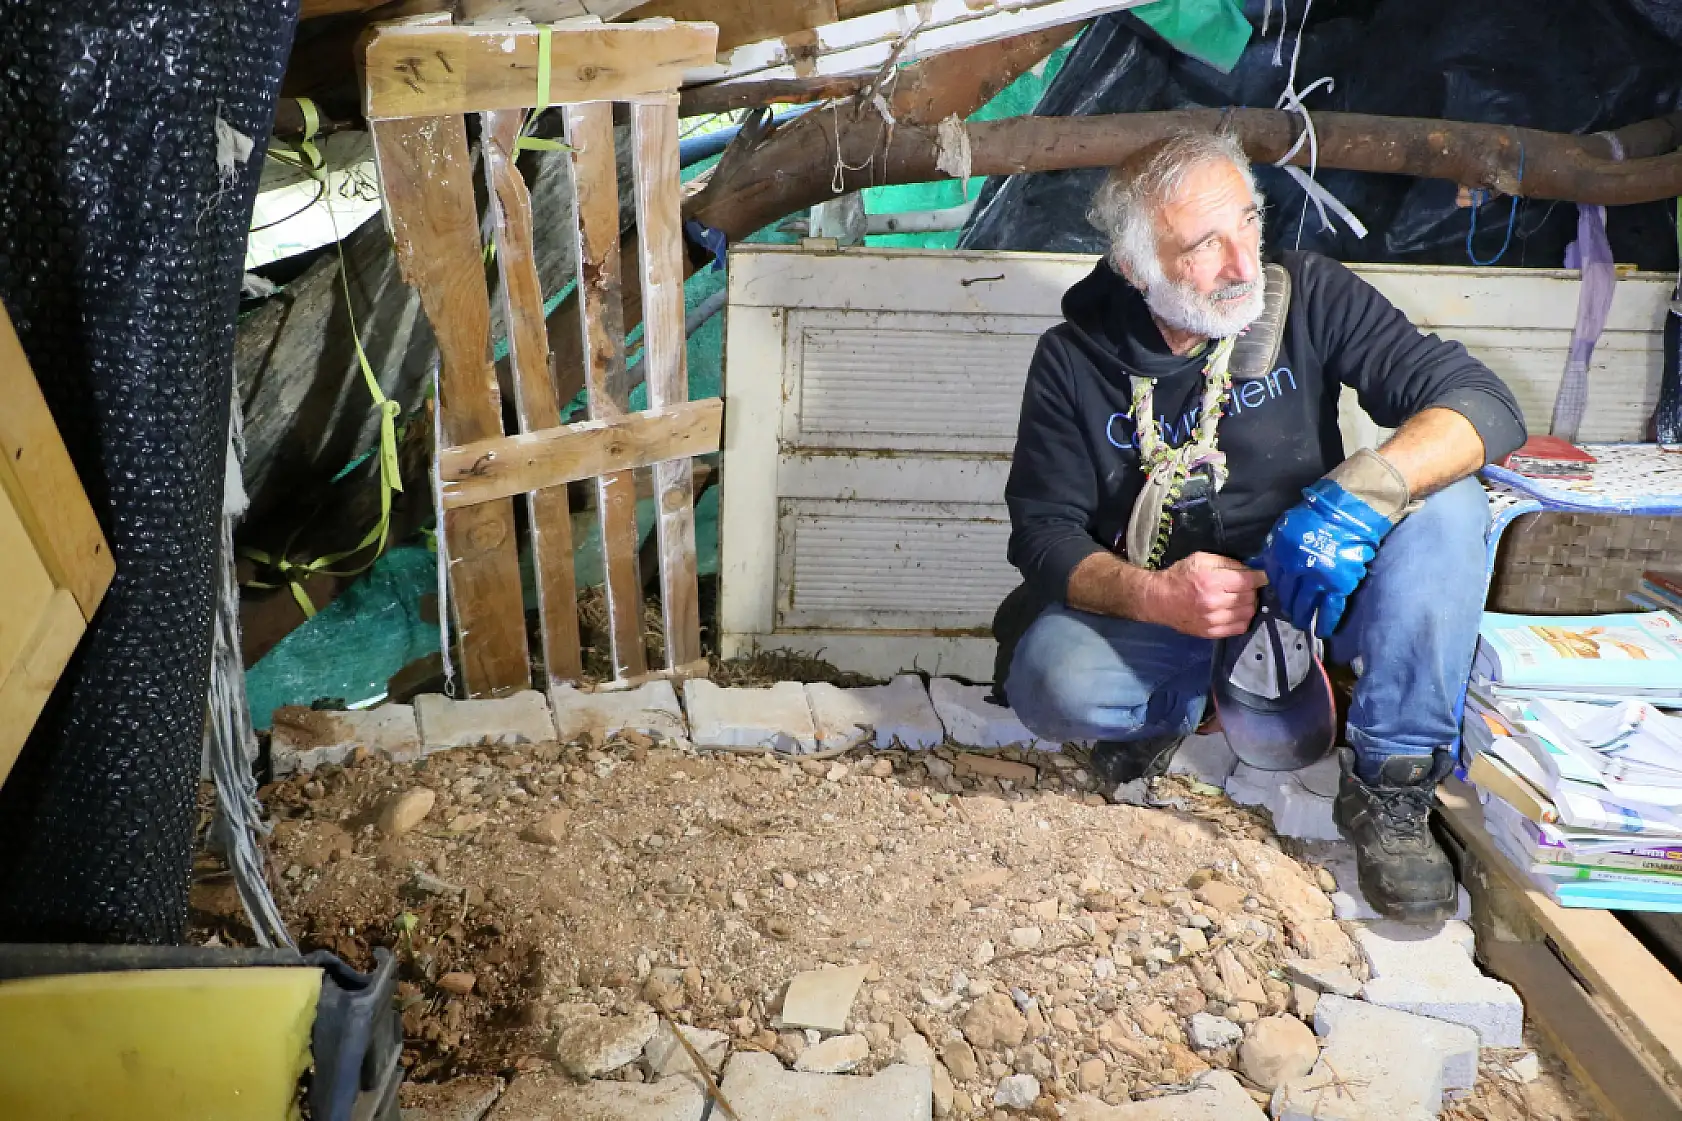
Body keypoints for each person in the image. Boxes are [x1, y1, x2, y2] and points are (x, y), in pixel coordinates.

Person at [994, 131, 1526, 923]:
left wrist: (1354, 501)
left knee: (1450, 505)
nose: (1243, 263)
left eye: (1248, 221)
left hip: (1318, 588)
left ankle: (1391, 781)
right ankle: (1185, 706)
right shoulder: (1074, 360)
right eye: (1204, 245)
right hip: (1176, 613)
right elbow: (1042, 533)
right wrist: (1154, 596)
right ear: (1136, 267)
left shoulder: (1307, 293)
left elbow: (1482, 404)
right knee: (1051, 679)